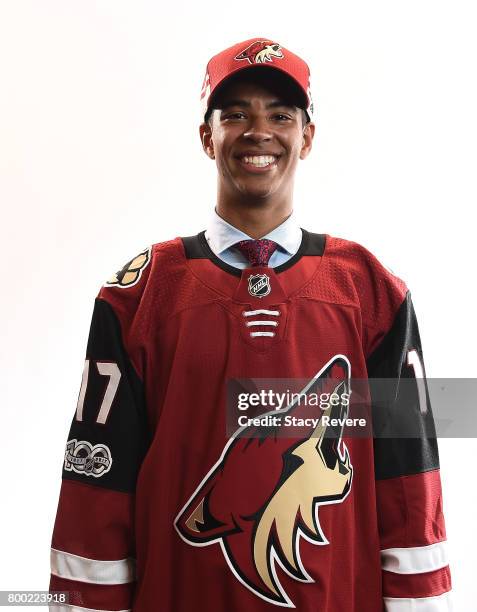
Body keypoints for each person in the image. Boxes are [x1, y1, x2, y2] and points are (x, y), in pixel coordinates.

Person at [48, 37, 452, 611]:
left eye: (280, 114)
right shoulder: (139, 294)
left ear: (306, 137)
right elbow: (98, 480)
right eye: (234, 113)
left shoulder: (369, 290)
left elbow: (409, 477)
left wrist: (421, 603)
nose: (258, 130)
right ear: (206, 135)